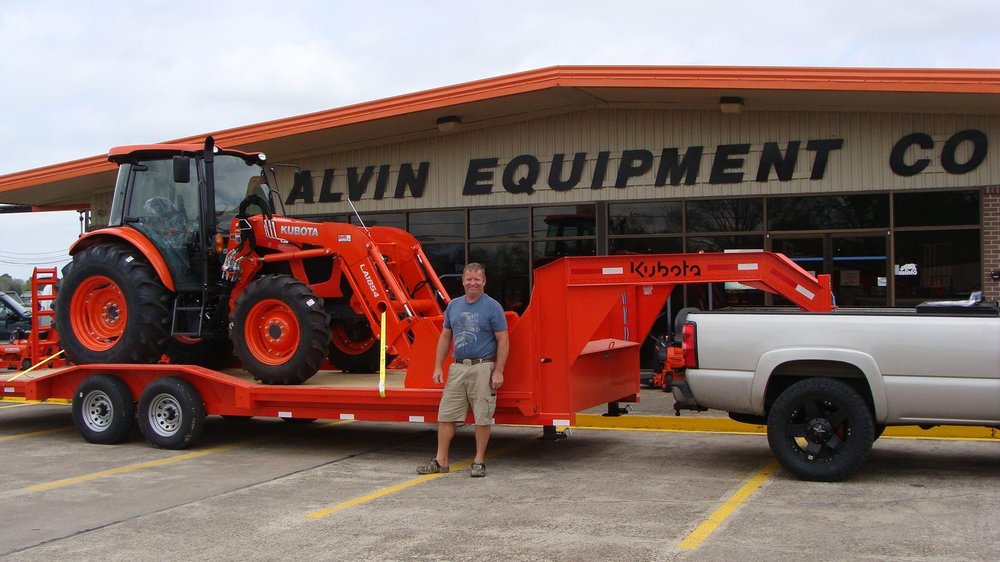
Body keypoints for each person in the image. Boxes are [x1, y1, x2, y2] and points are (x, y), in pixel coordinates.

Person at [417, 263, 509, 478]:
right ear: (463, 281)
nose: (473, 283)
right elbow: (445, 336)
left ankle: (478, 461)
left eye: (477, 279)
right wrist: (438, 366)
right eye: (469, 279)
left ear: (484, 281)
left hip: (483, 367)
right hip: (457, 368)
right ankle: (441, 461)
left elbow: (503, 339)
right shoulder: (454, 306)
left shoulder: (493, 307)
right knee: (446, 415)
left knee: (482, 417)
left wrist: (498, 371)